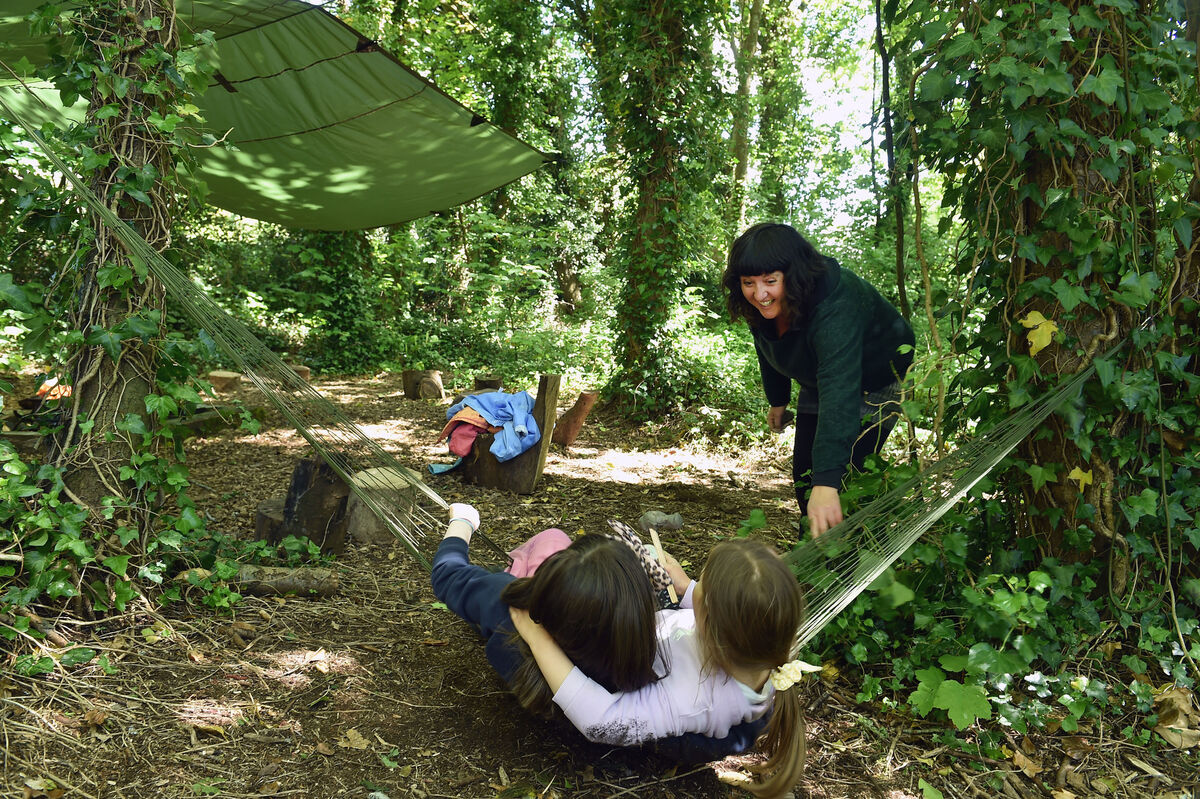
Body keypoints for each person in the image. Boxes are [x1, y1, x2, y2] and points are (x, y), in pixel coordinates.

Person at [430, 504, 768, 761]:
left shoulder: (515, 617)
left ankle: (533, 566)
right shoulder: (658, 663)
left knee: (553, 540)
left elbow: (447, 574)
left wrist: (462, 521)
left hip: (527, 647)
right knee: (552, 543)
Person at [512, 538, 811, 799]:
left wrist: (538, 639)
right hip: (665, 638)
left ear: (712, 625)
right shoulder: (767, 644)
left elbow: (602, 721)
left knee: (508, 645)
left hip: (636, 689)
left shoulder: (691, 700)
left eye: (701, 585)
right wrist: (688, 589)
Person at [723, 222, 915, 536]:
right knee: (805, 474)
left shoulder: (835, 303)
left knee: (843, 478)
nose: (759, 293)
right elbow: (768, 345)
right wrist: (778, 400)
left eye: (770, 281)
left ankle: (851, 564)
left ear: (792, 275)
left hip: (877, 377)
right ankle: (814, 549)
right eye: (748, 283)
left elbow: (840, 390)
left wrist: (826, 483)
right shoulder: (760, 303)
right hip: (820, 375)